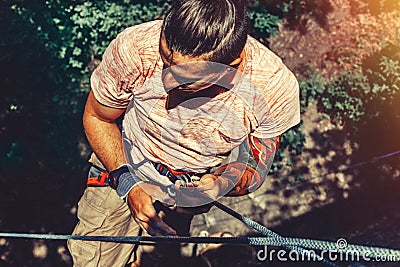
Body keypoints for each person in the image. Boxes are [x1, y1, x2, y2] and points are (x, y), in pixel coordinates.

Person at [67, 0, 300, 266]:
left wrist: (221, 184)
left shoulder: (272, 89)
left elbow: (254, 169)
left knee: (159, 259)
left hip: (187, 191)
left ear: (231, 67)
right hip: (120, 163)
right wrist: (127, 183)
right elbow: (97, 117)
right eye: (165, 58)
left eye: (184, 76)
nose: (165, 78)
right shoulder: (135, 47)